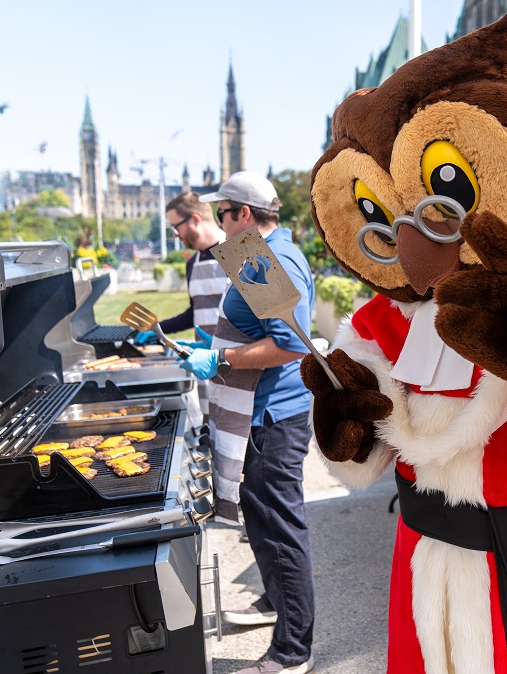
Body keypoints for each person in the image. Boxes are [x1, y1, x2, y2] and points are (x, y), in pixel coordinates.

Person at [183, 171, 316, 674]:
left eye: (222, 213)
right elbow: (257, 325)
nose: (218, 222)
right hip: (266, 412)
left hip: (273, 417)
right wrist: (210, 345)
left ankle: (292, 651)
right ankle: (277, 604)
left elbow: (286, 343)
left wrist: (218, 362)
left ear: (243, 213)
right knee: (260, 520)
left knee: (280, 528)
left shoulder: (262, 255)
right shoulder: (267, 248)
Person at [132, 192, 227, 421]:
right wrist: (158, 330)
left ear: (194, 220)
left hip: (234, 362)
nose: (175, 234)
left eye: (176, 226)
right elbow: (195, 312)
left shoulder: (236, 251)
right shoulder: (192, 263)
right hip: (205, 365)